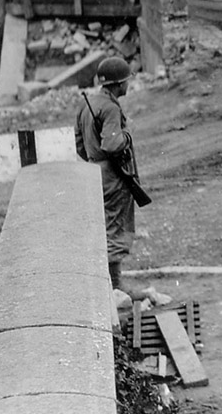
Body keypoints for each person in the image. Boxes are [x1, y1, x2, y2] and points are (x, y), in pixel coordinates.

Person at [74, 55, 140, 294]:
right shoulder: (110, 107)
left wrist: (94, 161)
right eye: (126, 80)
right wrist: (127, 137)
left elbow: (79, 144)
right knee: (115, 226)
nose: (128, 84)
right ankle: (116, 286)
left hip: (94, 170)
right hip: (112, 174)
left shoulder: (87, 103)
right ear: (118, 83)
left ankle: (107, 283)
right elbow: (112, 144)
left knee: (104, 225)